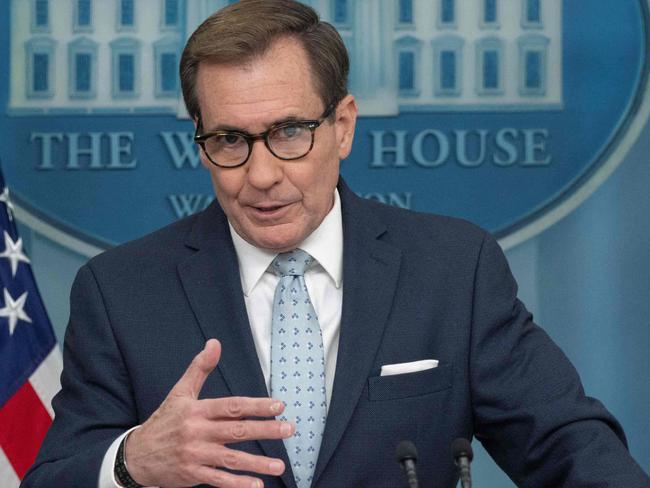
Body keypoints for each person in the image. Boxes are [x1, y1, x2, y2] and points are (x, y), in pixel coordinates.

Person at [22, 1, 650, 487]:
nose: (262, 174)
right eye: (230, 140)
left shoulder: (453, 270)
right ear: (200, 140)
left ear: (343, 126)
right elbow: (54, 476)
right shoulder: (121, 291)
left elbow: (570, 447)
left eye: (290, 132)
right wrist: (134, 461)